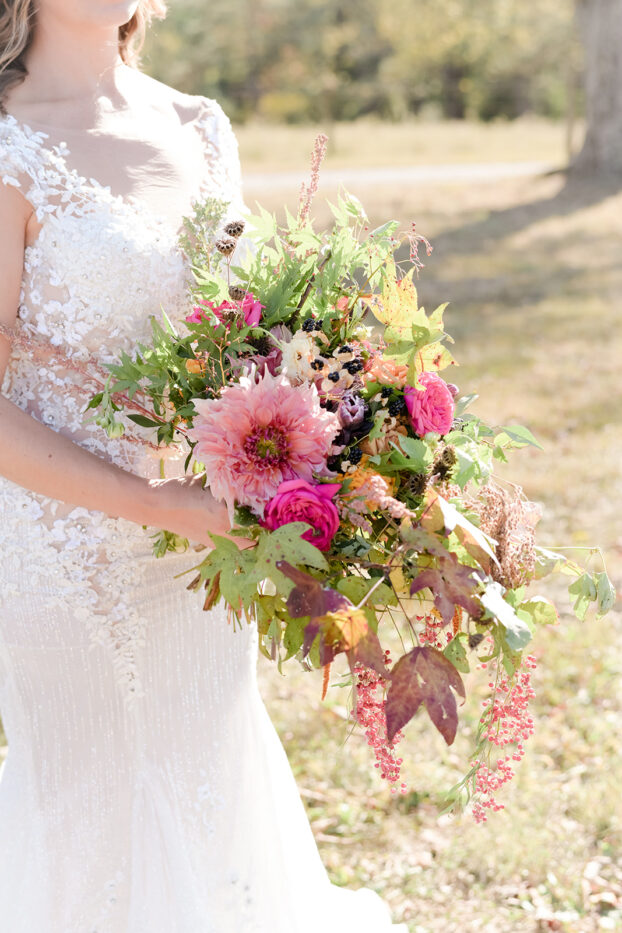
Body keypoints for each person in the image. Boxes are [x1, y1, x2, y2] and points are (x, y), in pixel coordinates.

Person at [0, 2, 408, 931]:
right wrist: (155, 502)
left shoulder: (198, 125)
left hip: (205, 547)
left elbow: (239, 332)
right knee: (84, 809)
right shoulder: (8, 145)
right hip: (62, 555)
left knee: (205, 784)